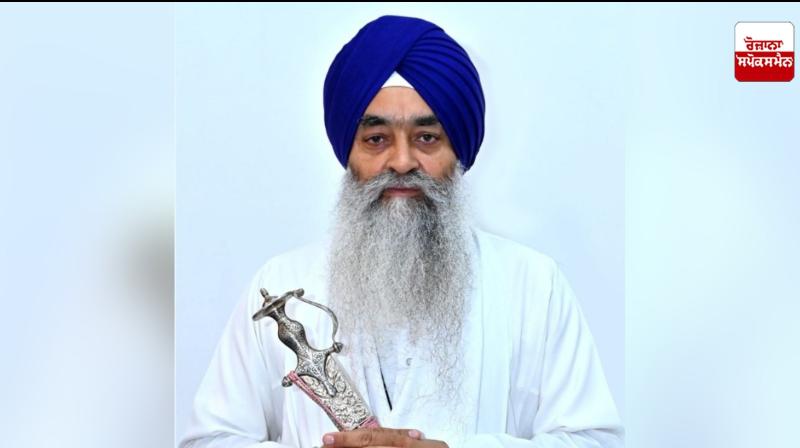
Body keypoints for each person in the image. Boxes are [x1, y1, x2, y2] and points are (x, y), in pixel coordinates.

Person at [180, 15, 623, 448]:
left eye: (427, 138)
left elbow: (593, 439)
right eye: (376, 139)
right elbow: (211, 439)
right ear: (349, 153)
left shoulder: (533, 284)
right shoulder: (282, 282)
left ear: (458, 152)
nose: (402, 161)